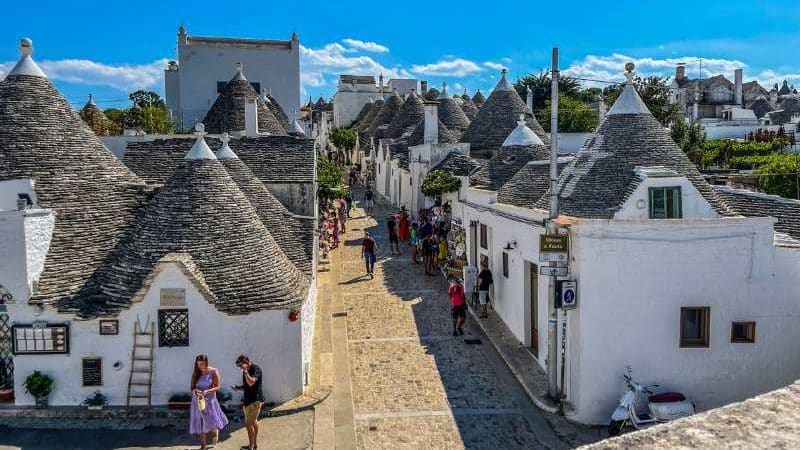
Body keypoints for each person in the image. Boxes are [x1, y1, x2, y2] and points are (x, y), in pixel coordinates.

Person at [190, 355, 228, 449]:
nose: (200, 366)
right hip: (198, 401)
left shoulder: (213, 371)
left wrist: (207, 391)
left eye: (202, 363)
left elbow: (217, 387)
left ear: (206, 362)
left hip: (210, 400)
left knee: (211, 421)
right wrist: (195, 391)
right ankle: (203, 446)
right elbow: (192, 387)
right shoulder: (196, 372)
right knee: (200, 423)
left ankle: (215, 432)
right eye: (198, 364)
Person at [233, 355, 264, 450]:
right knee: (253, 422)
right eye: (239, 366)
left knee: (248, 424)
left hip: (256, 400)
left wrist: (246, 371)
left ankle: (251, 446)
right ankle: (254, 444)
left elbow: (251, 382)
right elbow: (247, 385)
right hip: (247, 401)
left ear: (246, 362)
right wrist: (238, 388)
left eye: (241, 365)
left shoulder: (256, 369)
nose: (240, 368)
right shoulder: (245, 372)